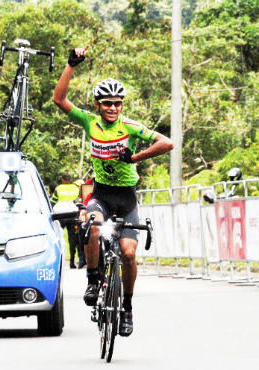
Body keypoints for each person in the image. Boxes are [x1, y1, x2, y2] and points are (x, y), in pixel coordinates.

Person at [52, 46, 173, 337]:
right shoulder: (89, 122)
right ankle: (93, 280)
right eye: (107, 103)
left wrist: (133, 158)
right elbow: (59, 99)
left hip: (127, 197)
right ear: (97, 105)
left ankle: (127, 307)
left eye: (117, 103)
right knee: (92, 226)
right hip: (102, 194)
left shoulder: (129, 127)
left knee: (129, 254)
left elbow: (166, 143)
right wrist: (71, 65)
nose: (113, 108)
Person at [51, 173, 80, 268]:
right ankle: (72, 262)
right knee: (72, 239)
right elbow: (78, 202)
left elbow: (53, 202)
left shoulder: (58, 188)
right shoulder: (75, 188)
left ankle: (58, 261)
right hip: (72, 215)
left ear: (62, 179)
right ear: (70, 179)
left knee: (59, 237)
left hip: (60, 215)